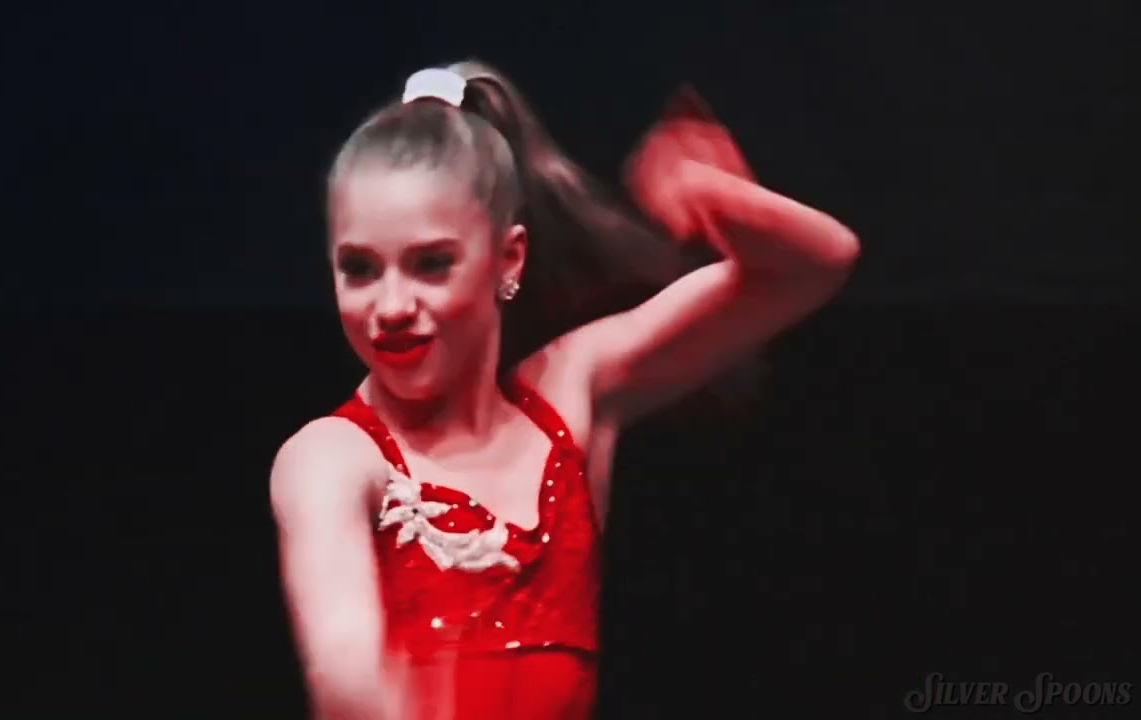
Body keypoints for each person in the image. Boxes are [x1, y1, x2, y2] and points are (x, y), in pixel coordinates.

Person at [269, 60, 859, 720]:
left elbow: (813, 264)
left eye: (431, 263)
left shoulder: (569, 396)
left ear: (508, 259)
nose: (392, 307)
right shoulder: (331, 458)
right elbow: (345, 673)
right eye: (359, 269)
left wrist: (707, 193)